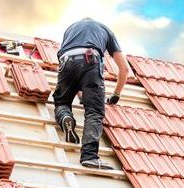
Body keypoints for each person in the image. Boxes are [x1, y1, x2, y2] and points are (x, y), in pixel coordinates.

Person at [53, 18, 130, 169]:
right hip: (90, 60)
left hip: (66, 61)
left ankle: (65, 116)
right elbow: (124, 69)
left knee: (61, 101)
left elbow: (73, 72)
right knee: (94, 111)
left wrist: (81, 95)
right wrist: (116, 94)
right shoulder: (106, 31)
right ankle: (89, 156)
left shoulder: (70, 29)